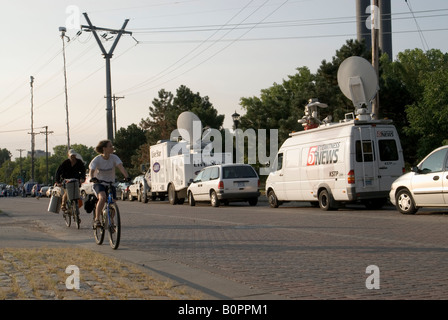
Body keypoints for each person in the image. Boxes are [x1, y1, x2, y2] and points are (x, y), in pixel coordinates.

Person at [89, 139, 129, 227]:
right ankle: (97, 220)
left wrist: (127, 176)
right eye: (110, 146)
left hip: (110, 183)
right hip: (99, 183)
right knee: (102, 198)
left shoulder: (114, 157)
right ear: (104, 148)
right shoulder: (97, 159)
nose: (112, 148)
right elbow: (91, 171)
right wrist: (93, 178)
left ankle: (110, 220)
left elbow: (121, 167)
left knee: (113, 202)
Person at [55, 149, 87, 213]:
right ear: (69, 156)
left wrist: (82, 178)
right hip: (66, 180)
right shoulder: (65, 163)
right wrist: (58, 182)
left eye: (74, 156)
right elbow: (58, 172)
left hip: (76, 180)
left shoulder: (79, 162)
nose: (73, 157)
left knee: (77, 192)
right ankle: (63, 205)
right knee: (67, 192)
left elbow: (83, 171)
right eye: (71, 156)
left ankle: (76, 206)